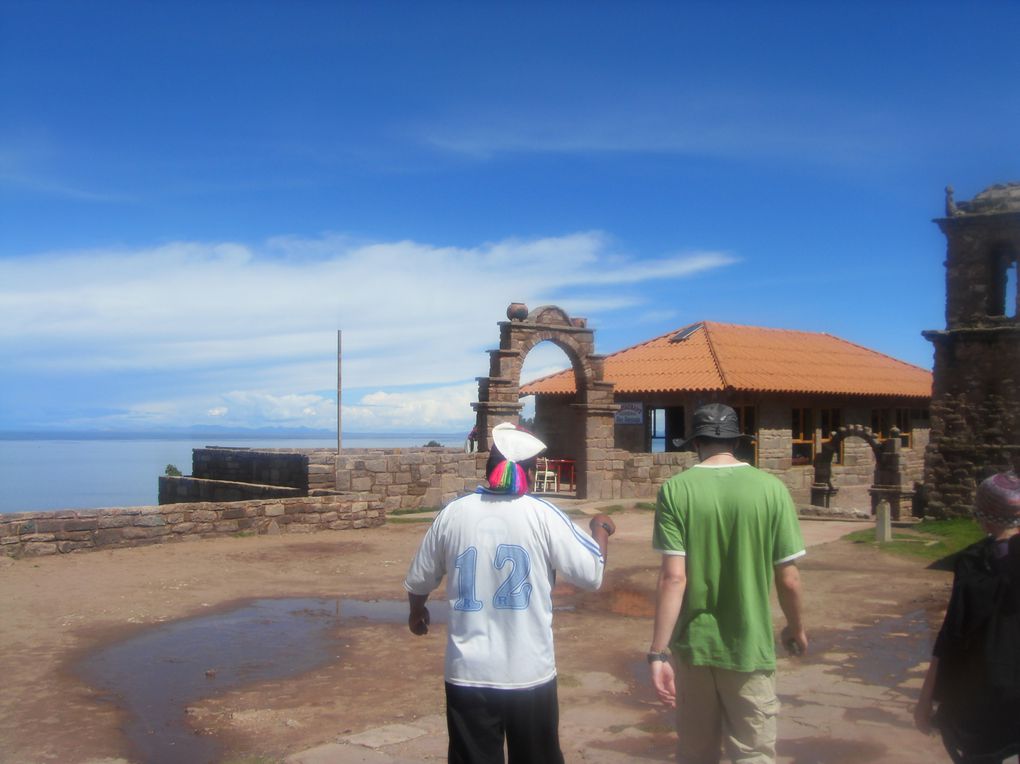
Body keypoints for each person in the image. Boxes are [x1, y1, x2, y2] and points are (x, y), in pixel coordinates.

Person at [404, 422, 615, 764]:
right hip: (529, 674)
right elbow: (592, 574)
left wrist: (417, 612)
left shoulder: (453, 515)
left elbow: (419, 580)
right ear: (529, 471)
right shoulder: (543, 515)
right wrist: (600, 528)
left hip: (468, 674)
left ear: (489, 467)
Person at [648, 402, 807, 764]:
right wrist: (796, 629)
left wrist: (658, 652)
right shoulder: (772, 489)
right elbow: (790, 578)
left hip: (694, 648)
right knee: (752, 752)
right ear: (736, 441)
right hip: (749, 647)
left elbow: (674, 577)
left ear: (695, 443)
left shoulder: (676, 490)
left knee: (695, 752)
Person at [914, 470, 1020, 763]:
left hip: (979, 706)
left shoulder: (973, 565)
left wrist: (926, 701)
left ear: (983, 515)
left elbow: (950, 638)